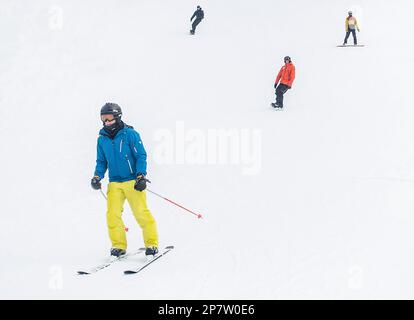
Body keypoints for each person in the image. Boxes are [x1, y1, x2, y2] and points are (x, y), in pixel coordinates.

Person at [91, 103, 159, 258]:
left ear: (117, 116)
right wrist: (97, 176)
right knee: (112, 214)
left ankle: (152, 244)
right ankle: (118, 246)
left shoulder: (130, 134)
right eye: (103, 118)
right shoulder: (102, 139)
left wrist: (140, 175)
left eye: (109, 118)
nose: (106, 121)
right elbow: (101, 161)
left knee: (141, 213)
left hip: (132, 181)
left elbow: (141, 155)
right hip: (114, 182)